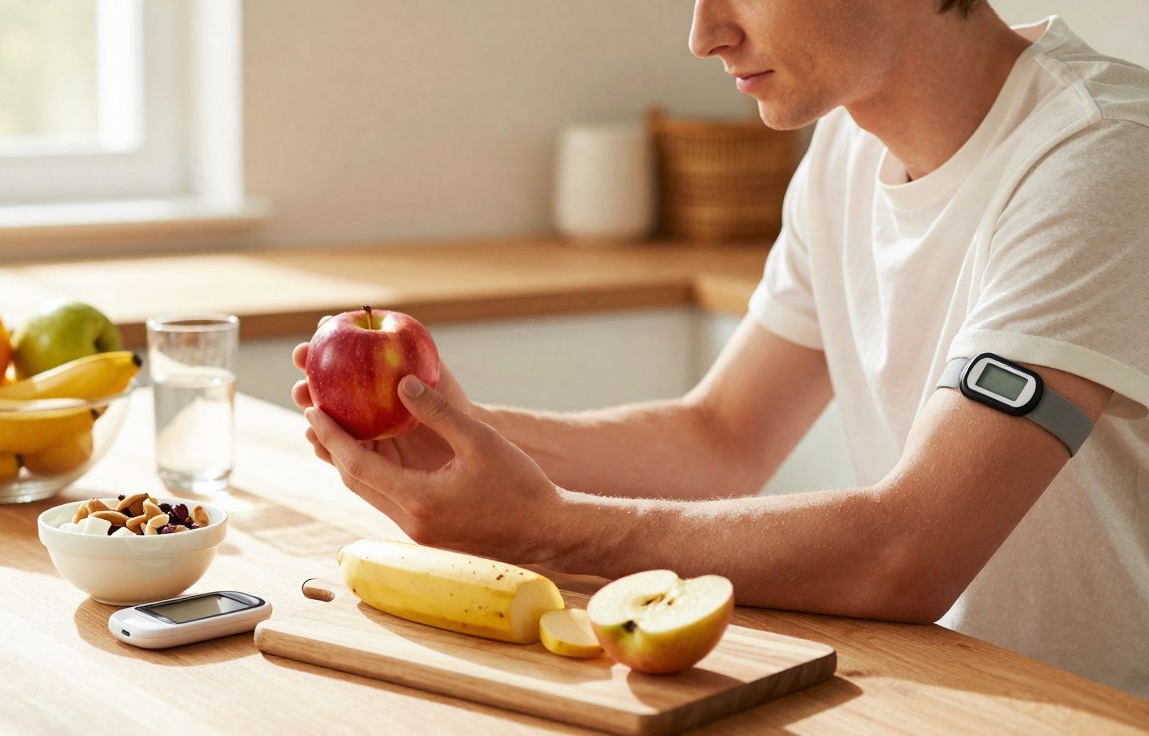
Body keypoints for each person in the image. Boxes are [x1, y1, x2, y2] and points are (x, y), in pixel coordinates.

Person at [292, 0, 1149, 697]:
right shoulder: (847, 147)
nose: (704, 34)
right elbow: (722, 436)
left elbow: (910, 550)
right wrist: (459, 432)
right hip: (934, 687)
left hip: (1092, 710)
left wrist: (549, 531)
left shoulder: (1105, 152)